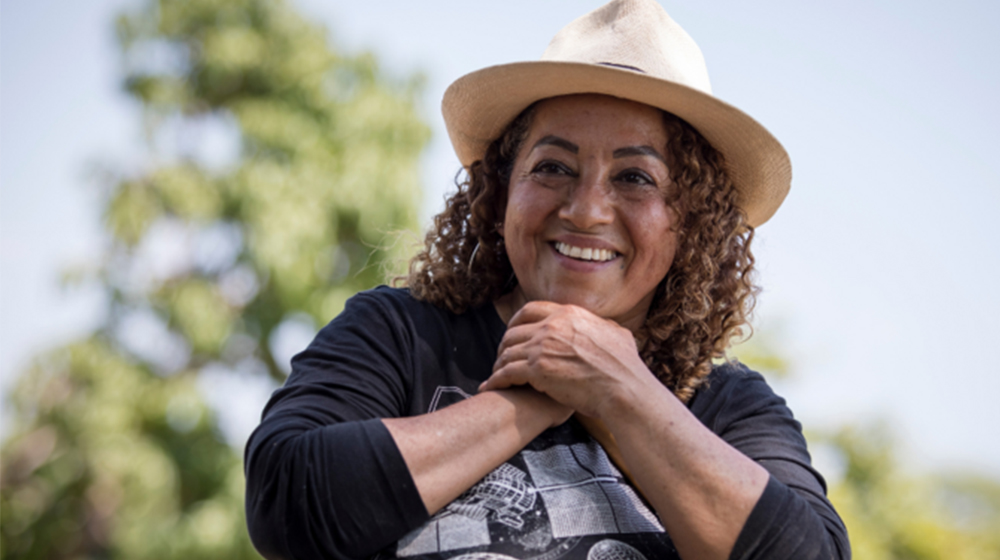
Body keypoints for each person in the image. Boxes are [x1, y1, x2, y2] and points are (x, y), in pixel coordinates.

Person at [244, 1, 850, 559]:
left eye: (635, 178)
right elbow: (289, 506)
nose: (586, 209)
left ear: (690, 220)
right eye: (553, 167)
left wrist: (618, 385)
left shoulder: (728, 407)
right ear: (502, 191)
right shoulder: (402, 333)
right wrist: (534, 396)